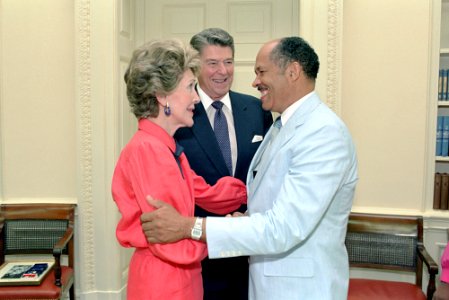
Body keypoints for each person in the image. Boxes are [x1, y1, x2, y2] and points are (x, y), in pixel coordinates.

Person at [141, 36, 358, 300]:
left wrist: (190, 227)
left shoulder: (323, 133)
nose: (255, 82)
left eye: (261, 72)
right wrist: (248, 219)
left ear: (292, 72)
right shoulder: (282, 127)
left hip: (299, 290)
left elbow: (283, 228)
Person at [111, 38, 248, 300]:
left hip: (181, 279)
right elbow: (172, 242)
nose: (196, 97)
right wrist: (229, 232)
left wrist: (255, 190)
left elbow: (207, 194)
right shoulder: (149, 150)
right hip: (165, 285)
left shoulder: (166, 146)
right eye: (190, 87)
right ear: (162, 96)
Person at [174, 28, 273, 300]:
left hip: (251, 251)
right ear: (196, 67)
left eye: (228, 62)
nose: (223, 71)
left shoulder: (256, 109)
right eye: (213, 63)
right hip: (200, 251)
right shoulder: (180, 114)